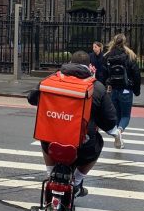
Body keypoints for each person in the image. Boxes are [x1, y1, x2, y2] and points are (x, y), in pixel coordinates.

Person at [27, 51, 117, 196]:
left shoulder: (51, 79)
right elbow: (110, 120)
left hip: (52, 140)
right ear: (89, 67)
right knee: (97, 143)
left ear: (69, 63)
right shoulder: (98, 87)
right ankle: (77, 181)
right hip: (82, 146)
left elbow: (32, 98)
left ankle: (50, 174)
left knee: (44, 138)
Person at [104, 33, 141, 149]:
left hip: (113, 89)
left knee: (116, 116)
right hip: (126, 89)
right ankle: (119, 132)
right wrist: (136, 90)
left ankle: (118, 137)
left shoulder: (107, 56)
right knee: (125, 116)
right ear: (124, 42)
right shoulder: (130, 55)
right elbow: (136, 74)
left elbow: (104, 74)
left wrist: (107, 85)